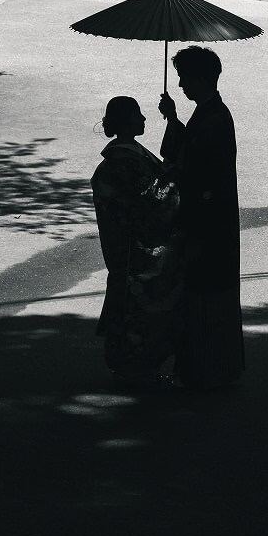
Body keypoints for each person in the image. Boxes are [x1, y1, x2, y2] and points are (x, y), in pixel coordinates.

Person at [158, 47, 244, 389]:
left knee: (205, 298)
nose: (179, 84)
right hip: (212, 223)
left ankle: (206, 371)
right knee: (208, 298)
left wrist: (194, 234)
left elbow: (199, 173)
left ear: (198, 78)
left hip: (207, 225)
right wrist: (173, 118)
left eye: (183, 77)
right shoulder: (211, 114)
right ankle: (208, 368)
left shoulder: (213, 119)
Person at [91, 96, 182, 386]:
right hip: (135, 247)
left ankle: (131, 366)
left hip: (125, 245)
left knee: (131, 307)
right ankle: (135, 368)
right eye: (137, 115)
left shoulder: (123, 156)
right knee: (140, 309)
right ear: (125, 121)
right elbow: (153, 199)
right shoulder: (124, 160)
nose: (143, 119)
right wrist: (174, 172)